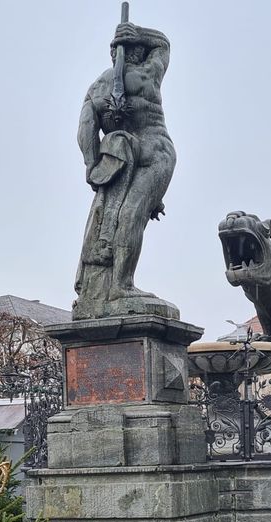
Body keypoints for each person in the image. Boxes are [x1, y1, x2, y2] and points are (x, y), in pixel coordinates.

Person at [75, 18, 176, 310]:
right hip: (154, 151)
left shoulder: (99, 87)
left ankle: (120, 284)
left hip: (131, 157)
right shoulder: (149, 73)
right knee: (130, 216)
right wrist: (140, 33)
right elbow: (164, 44)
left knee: (125, 216)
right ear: (138, 52)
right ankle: (119, 286)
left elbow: (85, 129)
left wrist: (93, 167)